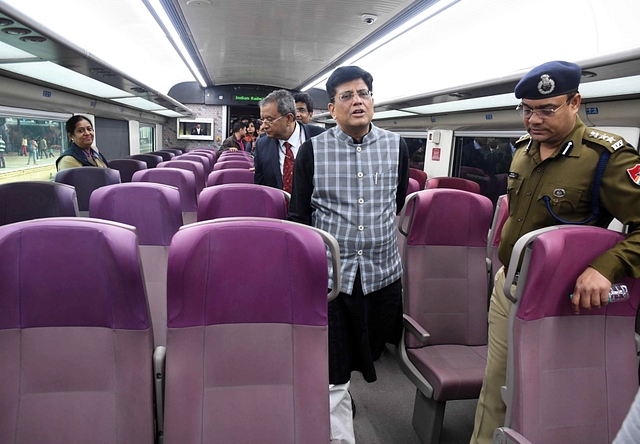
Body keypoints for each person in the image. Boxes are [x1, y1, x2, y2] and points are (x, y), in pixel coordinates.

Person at [470, 60, 640, 444]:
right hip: (508, 289)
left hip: (558, 301)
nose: (534, 119)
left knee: (543, 394)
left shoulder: (606, 158)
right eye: (527, 109)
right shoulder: (522, 151)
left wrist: (608, 266)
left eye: (547, 109)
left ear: (575, 102)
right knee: (496, 383)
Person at [287, 66, 410, 444]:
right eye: (347, 96)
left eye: (363, 93)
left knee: (367, 352)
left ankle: (338, 397)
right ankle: (338, 432)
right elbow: (299, 217)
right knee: (333, 365)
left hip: (380, 275)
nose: (357, 101)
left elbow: (398, 200)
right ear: (332, 108)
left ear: (372, 100)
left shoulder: (397, 145)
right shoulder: (312, 150)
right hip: (331, 279)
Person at [253, 89, 324, 192]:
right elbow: (261, 189)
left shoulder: (320, 138)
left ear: (289, 119)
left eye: (269, 120)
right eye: (262, 119)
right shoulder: (262, 145)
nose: (263, 126)